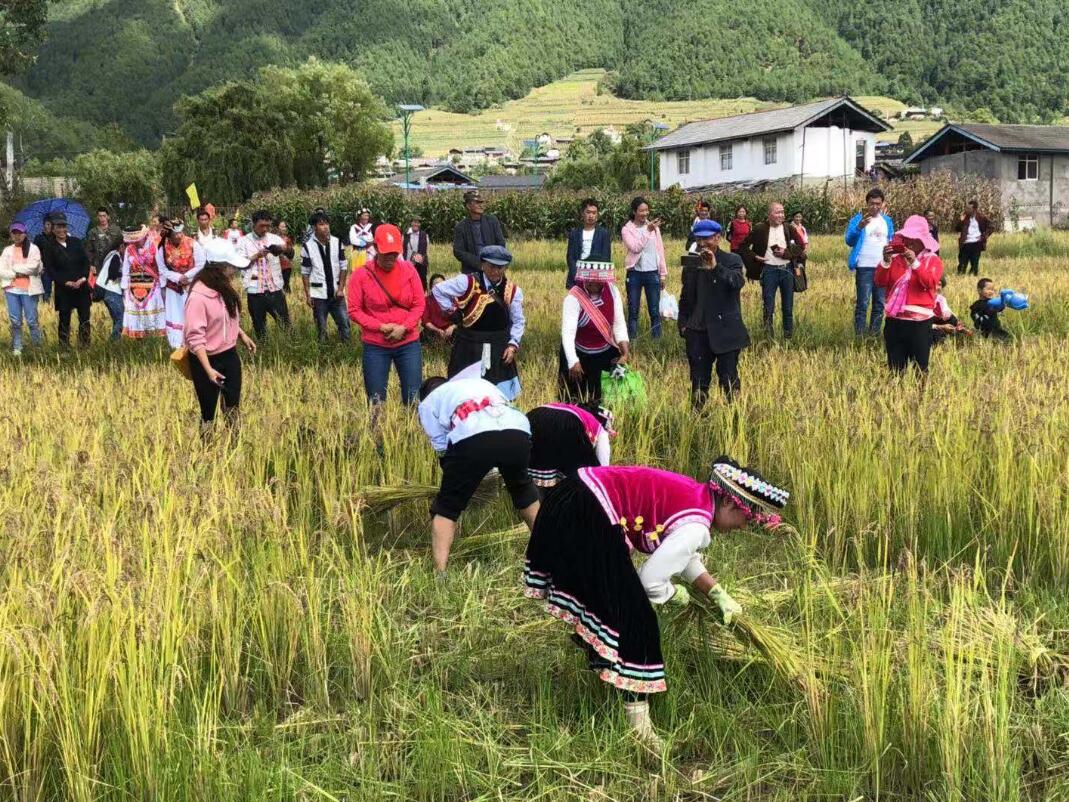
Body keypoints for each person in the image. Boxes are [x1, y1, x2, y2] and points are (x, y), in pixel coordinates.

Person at [523, 457, 788, 747]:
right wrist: (675, 595)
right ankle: (640, 731)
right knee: (637, 621)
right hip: (585, 511)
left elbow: (682, 554)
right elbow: (650, 580)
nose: (744, 527)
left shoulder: (697, 500)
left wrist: (716, 592)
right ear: (729, 504)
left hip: (574, 496)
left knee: (613, 605)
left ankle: (607, 675)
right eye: (746, 518)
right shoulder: (698, 525)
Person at [417, 373, 540, 573]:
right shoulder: (480, 383)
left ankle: (440, 573)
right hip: (518, 431)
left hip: (473, 436)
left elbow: (442, 448)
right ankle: (549, 553)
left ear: (425, 395)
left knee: (447, 507)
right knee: (523, 491)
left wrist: (454, 480)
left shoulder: (428, 403)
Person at [433, 245, 525, 400]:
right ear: (482, 264)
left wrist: (512, 344)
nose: (496, 271)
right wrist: (452, 311)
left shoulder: (512, 291)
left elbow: (518, 321)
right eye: (492, 266)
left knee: (498, 397)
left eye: (500, 267)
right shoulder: (466, 282)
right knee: (465, 395)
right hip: (469, 346)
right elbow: (438, 290)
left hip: (497, 347)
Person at [183, 238, 257, 430]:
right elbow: (195, 337)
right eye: (231, 266)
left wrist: (241, 334)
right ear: (220, 268)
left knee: (232, 405)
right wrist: (208, 370)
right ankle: (207, 449)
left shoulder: (223, 288)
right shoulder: (198, 296)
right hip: (205, 361)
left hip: (229, 355)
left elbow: (226, 316)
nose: (235, 271)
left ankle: (235, 445)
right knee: (209, 412)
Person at [347, 224, 425, 404]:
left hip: (408, 342)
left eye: (394, 253)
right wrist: (380, 327)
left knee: (413, 397)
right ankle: (376, 430)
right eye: (385, 253)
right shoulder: (361, 275)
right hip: (376, 345)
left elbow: (419, 305)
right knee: (376, 400)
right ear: (375, 248)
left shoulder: (409, 270)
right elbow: (354, 310)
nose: (390, 257)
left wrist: (404, 328)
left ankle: (411, 429)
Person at [679, 219, 749, 406]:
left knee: (729, 380)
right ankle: (698, 421)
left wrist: (716, 268)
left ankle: (734, 420)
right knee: (699, 382)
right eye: (699, 239)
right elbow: (685, 297)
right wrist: (684, 325)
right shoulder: (691, 264)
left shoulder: (732, 260)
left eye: (707, 238)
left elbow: (737, 282)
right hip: (698, 331)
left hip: (726, 331)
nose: (702, 243)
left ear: (718, 238)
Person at [875, 215, 943, 373]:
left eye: (914, 238)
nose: (910, 241)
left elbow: (929, 283)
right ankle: (898, 395)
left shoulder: (932, 260)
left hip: (920, 322)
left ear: (923, 241)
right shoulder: (895, 259)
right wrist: (885, 261)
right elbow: (880, 281)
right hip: (895, 320)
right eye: (907, 237)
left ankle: (920, 395)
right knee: (896, 368)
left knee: (920, 366)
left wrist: (915, 263)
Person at [559, 260, 629, 403]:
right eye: (589, 280)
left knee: (605, 398)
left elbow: (619, 324)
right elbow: (568, 332)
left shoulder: (613, 291)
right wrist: (573, 362)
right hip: (579, 354)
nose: (592, 284)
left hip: (604, 353)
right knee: (574, 400)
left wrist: (625, 352)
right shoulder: (573, 298)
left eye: (597, 281)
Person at [741, 202, 798, 338]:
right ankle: (768, 337)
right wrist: (756, 257)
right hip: (769, 271)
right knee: (768, 306)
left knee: (788, 307)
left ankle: (788, 336)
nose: (781, 215)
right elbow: (742, 247)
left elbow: (801, 247)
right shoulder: (760, 229)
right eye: (777, 212)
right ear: (769, 215)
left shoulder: (788, 228)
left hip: (787, 270)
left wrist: (786, 253)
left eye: (783, 212)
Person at [526, 402, 613, 490]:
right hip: (568, 427)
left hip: (534, 416)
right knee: (581, 481)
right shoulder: (599, 428)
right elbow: (603, 468)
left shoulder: (566, 408)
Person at [845, 188, 895, 337]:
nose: (875, 207)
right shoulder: (858, 219)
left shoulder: (887, 221)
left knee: (879, 304)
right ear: (866, 204)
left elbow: (891, 240)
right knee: (863, 303)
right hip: (864, 267)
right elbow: (849, 240)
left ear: (882, 204)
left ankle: (874, 334)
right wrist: (859, 227)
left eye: (878, 204)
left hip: (882, 267)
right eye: (872, 203)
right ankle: (859, 335)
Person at [237, 210, 292, 338]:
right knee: (259, 326)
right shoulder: (243, 241)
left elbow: (291, 255)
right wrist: (256, 256)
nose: (265, 229)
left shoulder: (274, 238)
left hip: (275, 288)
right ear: (253, 224)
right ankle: (264, 348)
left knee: (285, 324)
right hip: (255, 290)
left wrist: (283, 249)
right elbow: (240, 263)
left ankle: (291, 346)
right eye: (262, 226)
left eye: (268, 226)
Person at [40, 213, 92, 347]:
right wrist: (64, 282)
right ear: (53, 229)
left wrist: (83, 278)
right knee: (64, 319)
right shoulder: (49, 247)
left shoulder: (76, 242)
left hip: (81, 286)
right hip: (63, 288)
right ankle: (64, 347)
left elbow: (85, 262)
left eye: (63, 226)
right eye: (58, 227)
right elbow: (50, 269)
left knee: (84, 318)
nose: (61, 230)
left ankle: (85, 345)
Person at [620, 197, 667, 340]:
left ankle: (657, 340)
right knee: (633, 310)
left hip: (652, 273)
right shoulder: (627, 229)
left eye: (647, 210)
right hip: (634, 274)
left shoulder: (654, 228)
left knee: (654, 310)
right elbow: (635, 248)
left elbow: (660, 250)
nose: (645, 213)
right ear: (634, 211)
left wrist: (663, 273)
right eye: (641, 211)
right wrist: (647, 231)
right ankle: (632, 340)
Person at [301, 212, 350, 343]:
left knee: (344, 324)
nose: (325, 227)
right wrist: (308, 294)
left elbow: (344, 267)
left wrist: (340, 289)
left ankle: (346, 349)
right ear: (314, 227)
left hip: (336, 292)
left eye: (327, 223)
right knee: (321, 327)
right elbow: (305, 273)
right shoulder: (307, 246)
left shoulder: (337, 242)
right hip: (318, 294)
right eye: (321, 224)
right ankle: (323, 352)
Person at [157, 219, 206, 348]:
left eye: (181, 233)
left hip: (191, 285)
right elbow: (162, 269)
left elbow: (201, 264)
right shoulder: (162, 248)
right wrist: (178, 277)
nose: (179, 236)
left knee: (192, 313)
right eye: (175, 234)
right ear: (169, 235)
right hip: (173, 287)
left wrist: (187, 276)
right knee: (176, 314)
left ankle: (194, 342)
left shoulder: (192, 244)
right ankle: (177, 344)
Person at [0, 222, 44, 355]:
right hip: (11, 289)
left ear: (25, 234)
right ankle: (17, 346)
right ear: (11, 235)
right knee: (15, 321)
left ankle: (37, 346)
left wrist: (14, 268)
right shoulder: (7, 250)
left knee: (32, 320)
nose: (17, 236)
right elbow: (2, 270)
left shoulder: (33, 249)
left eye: (20, 233)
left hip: (29, 290)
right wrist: (18, 272)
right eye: (14, 233)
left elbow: (34, 267)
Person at [120, 225, 166, 339]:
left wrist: (162, 284)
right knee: (137, 312)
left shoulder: (154, 246)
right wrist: (125, 287)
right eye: (132, 241)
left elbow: (161, 266)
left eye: (136, 240)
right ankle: (138, 336)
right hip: (134, 286)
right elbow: (126, 268)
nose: (134, 243)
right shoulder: (129, 249)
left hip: (152, 286)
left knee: (151, 310)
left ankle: (154, 337)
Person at [452, 190, 506, 275]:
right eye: (477, 202)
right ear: (469, 206)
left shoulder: (492, 221)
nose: (481, 205)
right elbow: (458, 251)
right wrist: (479, 264)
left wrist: (491, 262)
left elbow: (501, 243)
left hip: (494, 267)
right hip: (472, 271)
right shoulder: (461, 227)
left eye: (481, 202)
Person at [565, 198, 612, 288]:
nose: (591, 215)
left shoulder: (604, 234)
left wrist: (597, 276)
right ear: (582, 213)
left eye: (594, 213)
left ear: (597, 215)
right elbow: (570, 257)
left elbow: (606, 257)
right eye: (588, 212)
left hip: (596, 277)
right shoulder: (574, 234)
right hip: (577, 275)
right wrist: (577, 275)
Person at [955, 201, 994, 276]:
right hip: (965, 243)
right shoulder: (964, 218)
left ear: (974, 209)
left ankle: (972, 277)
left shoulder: (981, 217)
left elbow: (991, 226)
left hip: (976, 243)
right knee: (962, 264)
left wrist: (984, 237)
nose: (966, 210)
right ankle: (960, 277)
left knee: (974, 264)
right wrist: (961, 220)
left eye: (968, 208)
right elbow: (957, 229)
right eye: (966, 208)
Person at [84, 207, 123, 276]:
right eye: (100, 216)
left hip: (113, 263)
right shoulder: (92, 232)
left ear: (108, 217)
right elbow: (89, 251)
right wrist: (91, 264)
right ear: (97, 217)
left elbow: (122, 245)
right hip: (98, 266)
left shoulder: (116, 230)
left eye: (104, 216)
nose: (102, 218)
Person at [96, 248, 125, 341]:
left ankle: (115, 343)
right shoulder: (115, 257)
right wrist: (126, 274)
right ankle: (113, 342)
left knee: (117, 320)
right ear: (121, 246)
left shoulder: (111, 255)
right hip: (113, 292)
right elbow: (112, 275)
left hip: (108, 292)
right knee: (121, 320)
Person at [931, 277, 967, 345]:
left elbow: (947, 310)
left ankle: (959, 329)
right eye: (933, 284)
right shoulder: (921, 302)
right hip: (929, 326)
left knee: (952, 317)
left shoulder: (941, 299)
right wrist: (942, 327)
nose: (936, 287)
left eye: (939, 284)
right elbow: (923, 324)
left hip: (939, 322)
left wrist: (957, 321)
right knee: (937, 335)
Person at [421, 273, 456, 344]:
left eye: (442, 283)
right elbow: (426, 321)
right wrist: (437, 330)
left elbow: (460, 318)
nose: (439, 286)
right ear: (431, 287)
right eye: (436, 284)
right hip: (433, 330)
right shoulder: (427, 300)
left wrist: (452, 327)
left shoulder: (452, 299)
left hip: (450, 330)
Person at [404, 216, 430, 289]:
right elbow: (403, 248)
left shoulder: (424, 235)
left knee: (421, 282)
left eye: (418, 222)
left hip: (420, 264)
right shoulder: (406, 234)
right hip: (408, 263)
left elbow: (426, 250)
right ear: (411, 223)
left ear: (420, 224)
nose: (416, 224)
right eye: (414, 222)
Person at [33, 216, 54, 303]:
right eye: (47, 224)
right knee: (46, 289)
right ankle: (46, 306)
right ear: (44, 225)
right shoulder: (39, 237)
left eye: (51, 224)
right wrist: (39, 266)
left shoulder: (56, 237)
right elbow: (34, 253)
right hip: (45, 267)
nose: (49, 226)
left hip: (56, 266)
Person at [276, 220, 294, 293]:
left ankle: (289, 298)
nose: (284, 228)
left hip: (287, 265)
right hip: (277, 265)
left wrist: (290, 258)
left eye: (285, 226)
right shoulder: (274, 238)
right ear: (278, 228)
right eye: (282, 226)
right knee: (279, 284)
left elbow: (291, 252)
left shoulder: (288, 239)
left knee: (286, 283)